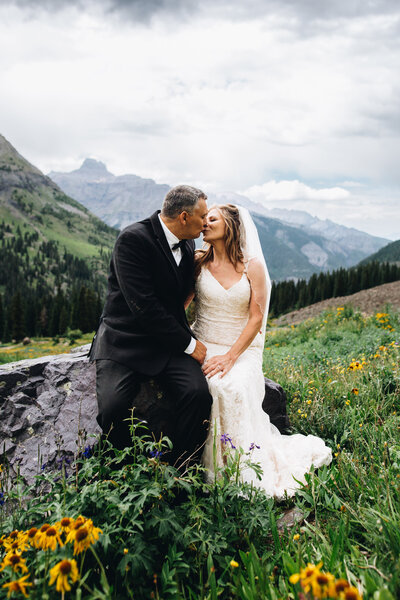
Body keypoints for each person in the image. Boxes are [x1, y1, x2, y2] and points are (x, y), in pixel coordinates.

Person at [190, 204, 332, 497]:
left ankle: (241, 470)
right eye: (203, 219)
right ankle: (208, 471)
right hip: (205, 339)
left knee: (231, 386)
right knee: (206, 385)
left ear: (229, 225)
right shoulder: (198, 261)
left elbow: (256, 317)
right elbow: (183, 303)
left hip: (241, 347)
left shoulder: (251, 266)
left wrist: (230, 357)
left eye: (211, 219)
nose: (204, 223)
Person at [89, 185, 213, 468]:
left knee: (197, 395)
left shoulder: (188, 243)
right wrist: (191, 345)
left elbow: (177, 298)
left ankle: (180, 471)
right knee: (113, 408)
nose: (206, 223)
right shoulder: (132, 239)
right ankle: (122, 474)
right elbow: (144, 308)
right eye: (202, 216)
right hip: (125, 341)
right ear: (183, 217)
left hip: (167, 342)